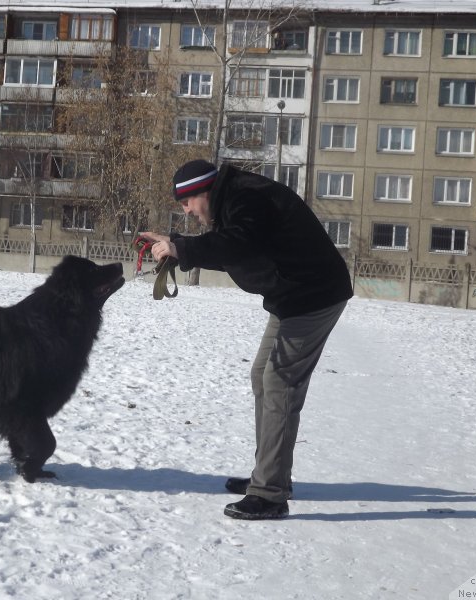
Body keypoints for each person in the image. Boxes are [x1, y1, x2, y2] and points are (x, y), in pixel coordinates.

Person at [140, 159, 353, 520]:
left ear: (204, 191)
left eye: (187, 202)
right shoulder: (233, 201)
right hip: (291, 297)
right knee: (262, 376)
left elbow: (237, 245)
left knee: (279, 382)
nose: (187, 211)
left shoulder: (246, 199)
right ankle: (269, 475)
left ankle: (270, 493)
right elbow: (231, 247)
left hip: (313, 296)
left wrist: (182, 249)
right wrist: (179, 246)